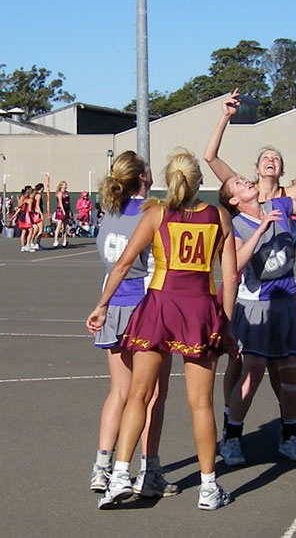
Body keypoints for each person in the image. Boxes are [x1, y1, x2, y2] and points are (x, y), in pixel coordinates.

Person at [87, 148, 238, 511]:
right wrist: (226, 326)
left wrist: (102, 304)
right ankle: (207, 487)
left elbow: (123, 265)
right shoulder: (218, 216)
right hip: (199, 308)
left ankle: (119, 475)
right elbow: (230, 275)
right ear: (199, 182)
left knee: (137, 394)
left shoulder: (156, 213)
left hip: (159, 305)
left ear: (169, 179)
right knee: (200, 403)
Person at [203, 88, 296, 440]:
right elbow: (210, 157)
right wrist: (225, 115)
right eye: (264, 156)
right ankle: (231, 425)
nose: (270, 159)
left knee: (284, 372)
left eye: (276, 157)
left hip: (283, 299)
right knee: (242, 365)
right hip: (250, 297)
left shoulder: (285, 199)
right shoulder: (240, 199)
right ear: (252, 171)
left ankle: (288, 432)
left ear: (281, 168)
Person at [88, 150, 177, 499]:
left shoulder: (109, 210)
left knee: (120, 392)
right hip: (143, 305)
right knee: (152, 394)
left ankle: (102, 467)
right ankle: (148, 470)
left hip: (111, 304)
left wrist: (101, 305)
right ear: (142, 176)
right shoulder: (152, 211)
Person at [217, 172, 296, 466]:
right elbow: (234, 266)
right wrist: (260, 229)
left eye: (245, 179)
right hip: (256, 305)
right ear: (234, 200)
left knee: (290, 373)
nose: (245, 181)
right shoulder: (235, 225)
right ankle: (232, 436)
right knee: (254, 370)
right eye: (237, 183)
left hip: (286, 303)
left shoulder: (281, 206)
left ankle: (289, 436)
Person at [53, 181, 71, 247]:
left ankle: (65, 240)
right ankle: (55, 240)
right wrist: (63, 211)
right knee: (59, 225)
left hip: (66, 210)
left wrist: (69, 211)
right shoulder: (60, 193)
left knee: (65, 226)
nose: (66, 186)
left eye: (66, 185)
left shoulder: (66, 193)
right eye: (64, 185)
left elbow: (68, 203)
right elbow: (60, 203)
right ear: (61, 186)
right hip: (60, 210)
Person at [31, 183, 44, 249]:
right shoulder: (38, 195)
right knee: (41, 230)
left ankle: (33, 242)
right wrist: (41, 214)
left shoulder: (35, 195)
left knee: (36, 229)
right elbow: (37, 205)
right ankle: (35, 243)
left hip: (35, 213)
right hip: (37, 214)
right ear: (41, 188)